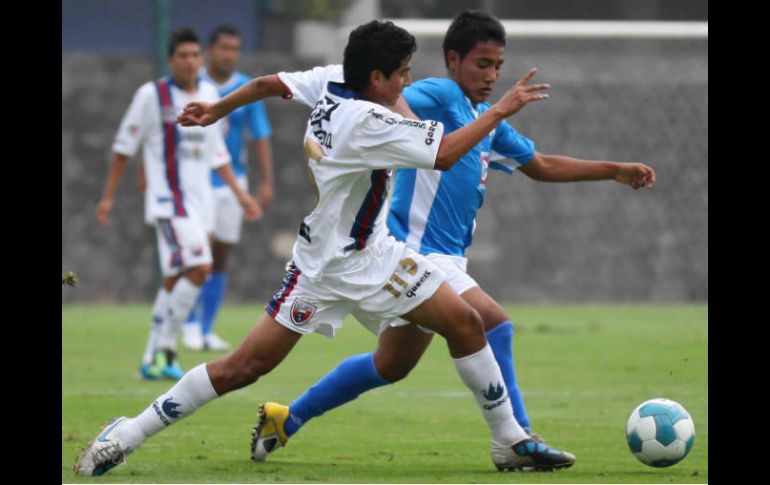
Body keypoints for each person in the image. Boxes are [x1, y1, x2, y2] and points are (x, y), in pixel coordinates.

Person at [75, 20, 573, 477]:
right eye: (401, 74)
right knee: (243, 368)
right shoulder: (366, 124)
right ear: (376, 76)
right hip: (322, 271)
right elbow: (442, 154)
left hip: (378, 257)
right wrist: (502, 109)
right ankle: (126, 433)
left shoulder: (334, 80)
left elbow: (269, 83)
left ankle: (508, 440)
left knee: (466, 323)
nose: (407, 83)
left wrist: (217, 108)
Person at [248, 9, 656, 465]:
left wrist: (614, 170)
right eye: (483, 64)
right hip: (413, 251)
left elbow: (540, 165)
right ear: (453, 60)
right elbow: (386, 99)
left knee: (391, 366)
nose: (492, 75)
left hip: (447, 259)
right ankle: (518, 439)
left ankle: (286, 418)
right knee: (493, 322)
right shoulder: (440, 95)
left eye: (498, 66)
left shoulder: (485, 120)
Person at [94, 28, 261, 381]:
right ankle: (167, 348)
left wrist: (241, 194)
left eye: (195, 55)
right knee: (201, 266)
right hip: (170, 203)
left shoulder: (209, 94)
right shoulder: (151, 95)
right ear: (170, 60)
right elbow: (125, 147)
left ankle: (151, 358)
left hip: (202, 206)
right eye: (183, 55)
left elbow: (219, 155)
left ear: (201, 59)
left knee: (173, 279)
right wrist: (108, 197)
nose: (190, 61)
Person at [182, 25, 276, 351]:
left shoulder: (245, 89)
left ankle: (206, 328)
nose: (229, 55)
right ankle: (190, 324)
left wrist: (266, 181)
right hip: (198, 182)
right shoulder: (197, 86)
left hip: (234, 180)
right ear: (210, 50)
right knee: (200, 253)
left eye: (235, 49)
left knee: (221, 256)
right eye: (224, 48)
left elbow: (259, 135)